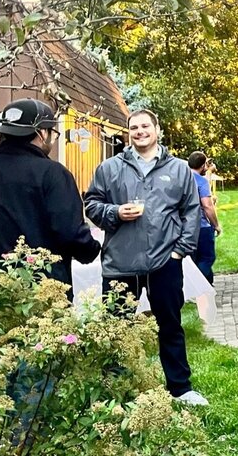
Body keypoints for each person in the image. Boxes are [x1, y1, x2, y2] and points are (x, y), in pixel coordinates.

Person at [84, 109, 208, 406]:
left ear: (157, 129)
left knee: (170, 325)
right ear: (128, 133)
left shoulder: (178, 169)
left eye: (145, 126)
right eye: (134, 127)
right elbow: (91, 204)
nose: (139, 131)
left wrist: (180, 251)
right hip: (120, 263)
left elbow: (191, 211)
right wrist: (114, 213)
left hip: (164, 262)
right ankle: (113, 388)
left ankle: (180, 388)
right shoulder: (109, 168)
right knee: (116, 329)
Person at [0, 98, 101, 290]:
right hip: (40, 293)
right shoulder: (53, 174)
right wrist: (92, 250)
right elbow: (70, 233)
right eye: (53, 133)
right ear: (42, 133)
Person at [186, 151, 222, 284]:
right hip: (201, 225)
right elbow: (207, 206)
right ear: (202, 166)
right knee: (207, 258)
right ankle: (196, 286)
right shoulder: (201, 181)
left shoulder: (182, 178)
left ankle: (208, 284)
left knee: (193, 258)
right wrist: (216, 225)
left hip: (184, 226)